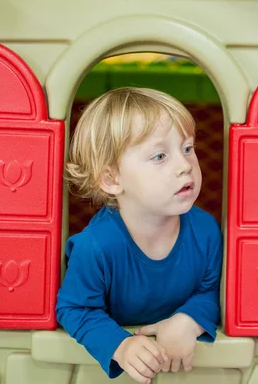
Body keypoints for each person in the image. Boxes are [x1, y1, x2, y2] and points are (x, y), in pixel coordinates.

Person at [56, 87, 223, 384]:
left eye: (187, 148)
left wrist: (189, 320)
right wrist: (120, 345)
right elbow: (75, 308)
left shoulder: (206, 231)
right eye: (160, 156)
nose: (185, 165)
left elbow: (212, 291)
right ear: (112, 179)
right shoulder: (96, 247)